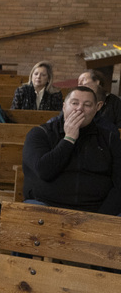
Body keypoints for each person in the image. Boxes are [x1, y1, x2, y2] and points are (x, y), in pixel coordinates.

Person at [22, 86, 121, 214]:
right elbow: (43, 171)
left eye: (87, 105)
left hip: (96, 210)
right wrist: (68, 139)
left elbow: (119, 184)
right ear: (64, 106)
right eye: (74, 103)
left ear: (97, 108)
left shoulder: (109, 139)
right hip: (46, 206)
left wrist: (102, 217)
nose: (79, 109)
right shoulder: (40, 133)